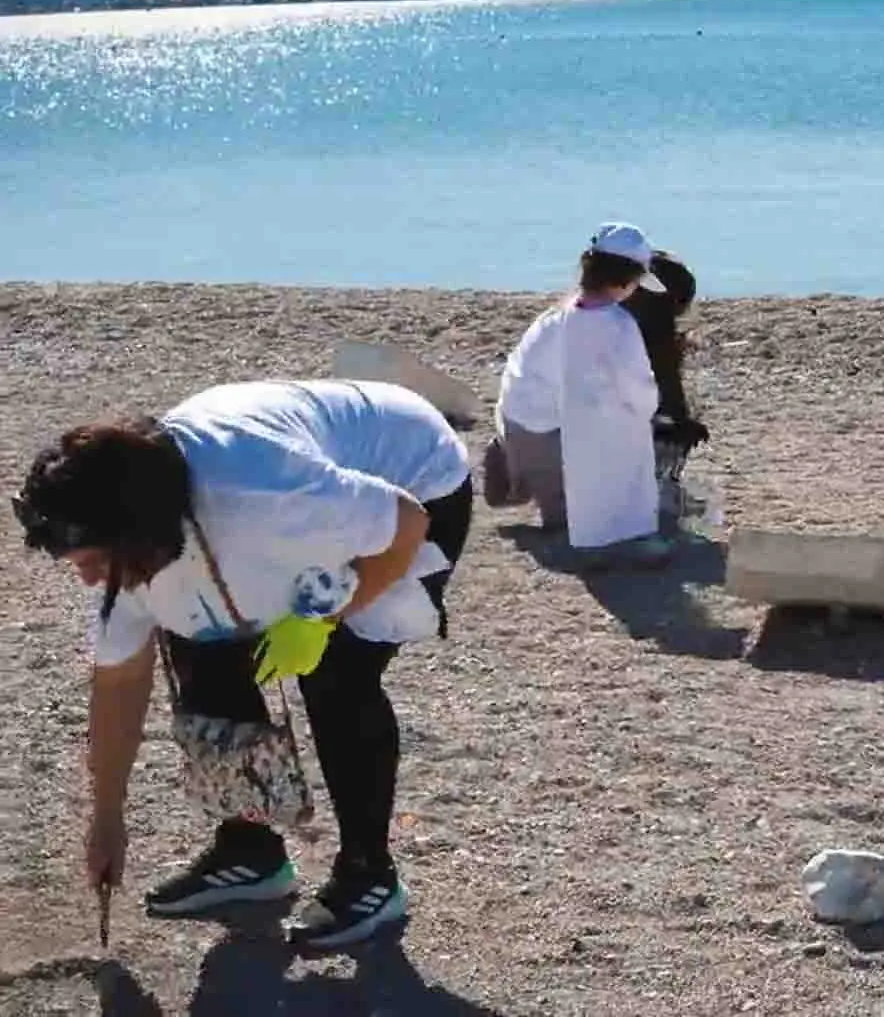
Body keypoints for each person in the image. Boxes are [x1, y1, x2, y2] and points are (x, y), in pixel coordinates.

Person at [11, 379, 473, 949]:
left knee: (337, 670)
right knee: (198, 642)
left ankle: (369, 877)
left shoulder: (266, 496)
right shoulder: (138, 549)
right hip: (289, 513)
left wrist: (323, 618)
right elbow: (119, 684)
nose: (86, 579)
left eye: (93, 561)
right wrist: (106, 816)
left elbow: (405, 523)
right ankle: (251, 852)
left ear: (134, 536)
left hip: (413, 475)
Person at [485, 222, 673, 563]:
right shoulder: (618, 326)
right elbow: (639, 392)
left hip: (516, 419)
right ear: (626, 280)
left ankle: (518, 466)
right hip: (548, 435)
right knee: (588, 520)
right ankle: (528, 480)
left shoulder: (557, 314)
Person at [623, 250, 711, 523]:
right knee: (675, 429)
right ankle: (658, 494)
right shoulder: (654, 337)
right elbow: (669, 395)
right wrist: (683, 423)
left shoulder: (605, 316)